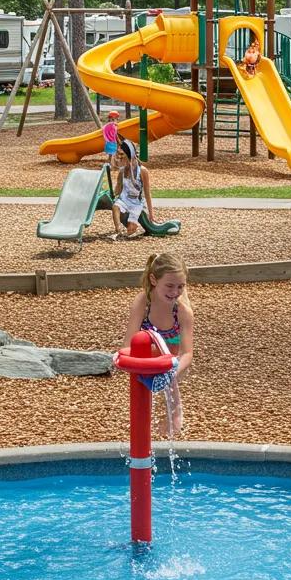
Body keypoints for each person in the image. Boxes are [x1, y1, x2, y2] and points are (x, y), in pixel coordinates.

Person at [122, 252, 194, 437]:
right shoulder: (143, 303)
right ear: (153, 280)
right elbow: (128, 343)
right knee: (142, 414)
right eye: (169, 285)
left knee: (172, 420)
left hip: (171, 363)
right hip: (146, 360)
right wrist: (124, 358)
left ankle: (167, 443)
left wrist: (172, 372)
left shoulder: (183, 312)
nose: (175, 292)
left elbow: (187, 354)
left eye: (181, 286)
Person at [111, 139, 154, 240]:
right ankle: (118, 230)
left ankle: (130, 228)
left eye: (122, 154)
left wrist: (151, 213)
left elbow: (147, 192)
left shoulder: (142, 171)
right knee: (115, 207)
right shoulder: (122, 171)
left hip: (136, 202)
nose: (119, 157)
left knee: (131, 230)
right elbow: (118, 188)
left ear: (129, 154)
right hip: (124, 199)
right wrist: (114, 193)